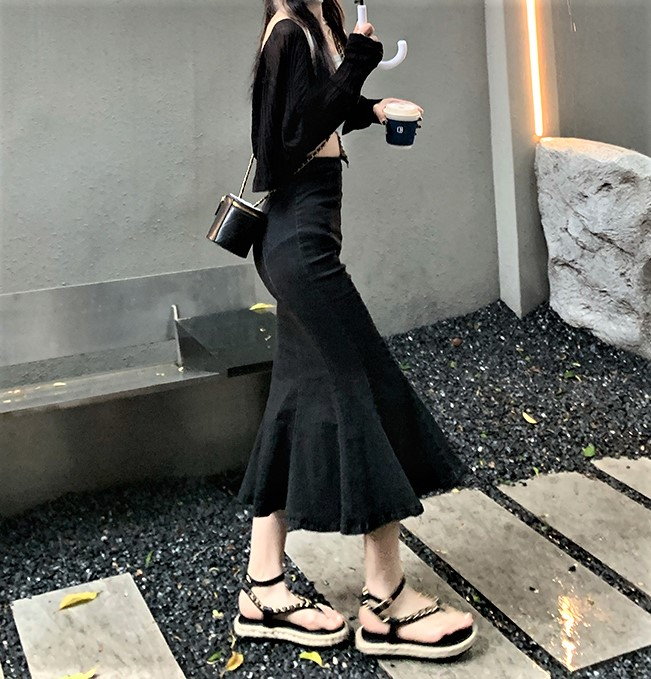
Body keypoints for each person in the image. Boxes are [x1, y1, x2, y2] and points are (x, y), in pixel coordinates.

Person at [233, 0, 477, 659]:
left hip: (306, 242)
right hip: (301, 247)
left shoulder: (317, 22)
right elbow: (279, 147)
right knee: (366, 391)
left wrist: (370, 109)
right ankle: (385, 601)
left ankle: (262, 587)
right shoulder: (288, 31)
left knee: (293, 401)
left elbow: (316, 116)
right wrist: (360, 66)